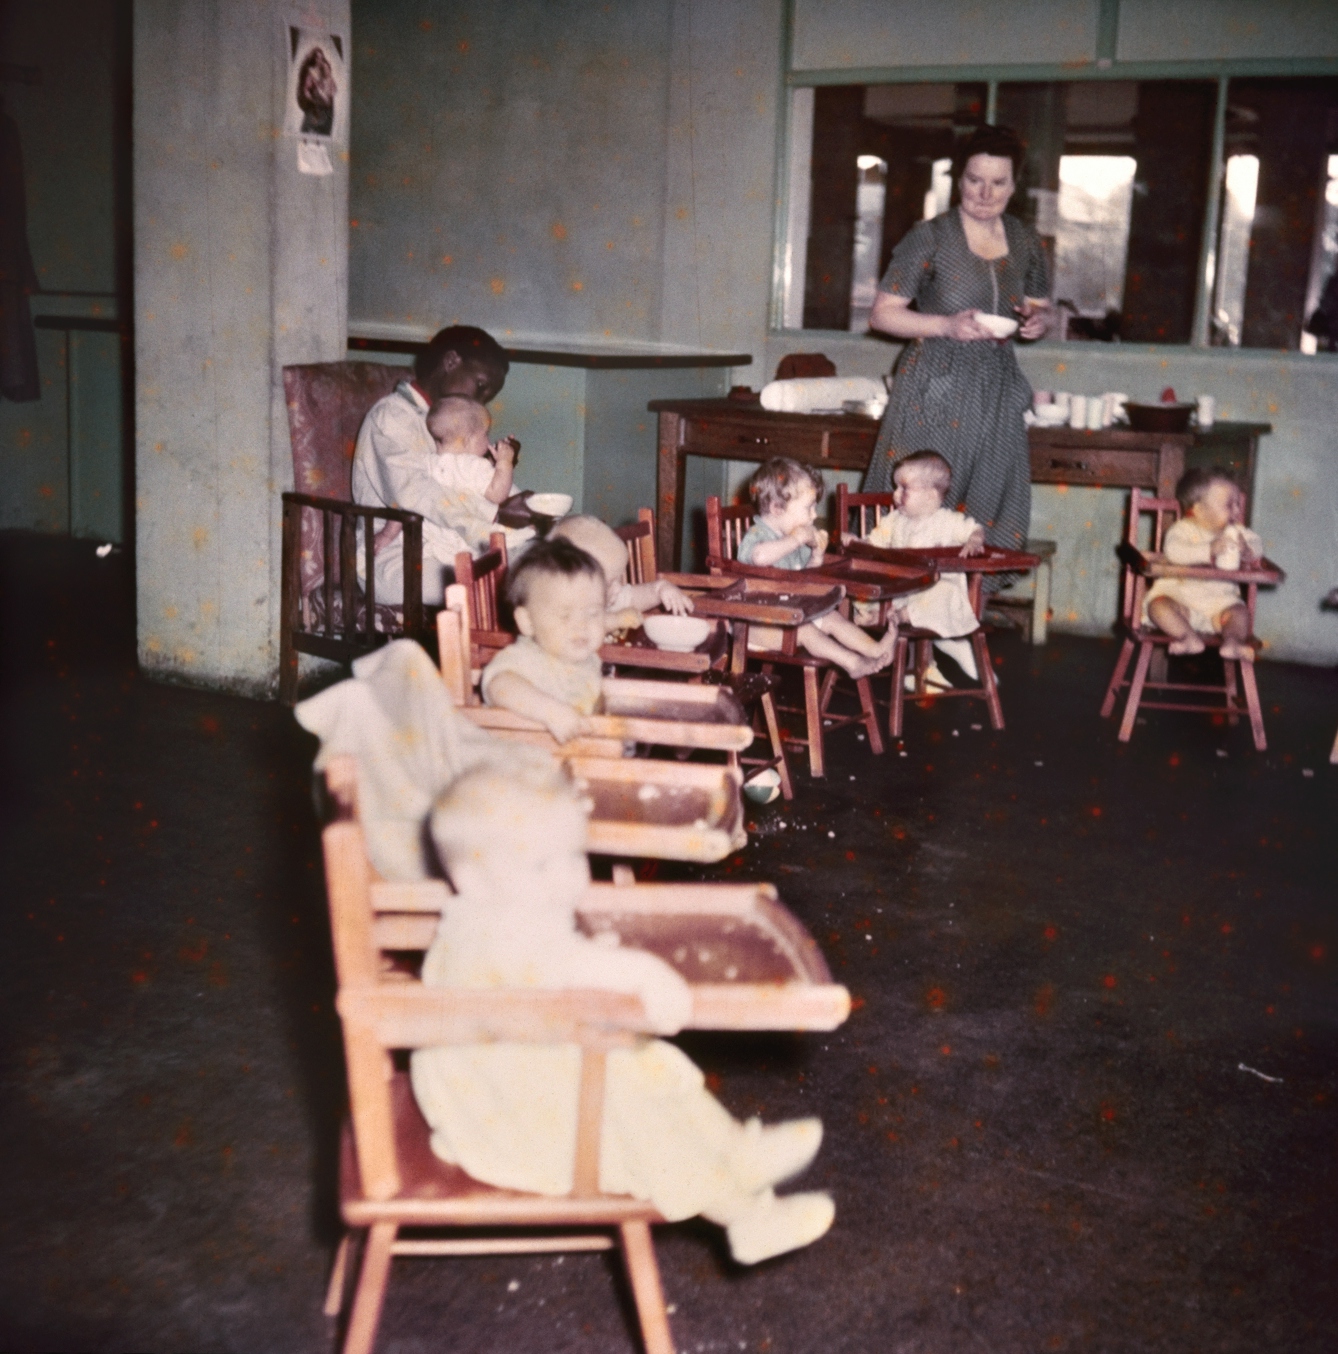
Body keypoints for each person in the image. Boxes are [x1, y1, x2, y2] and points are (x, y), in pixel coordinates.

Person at [409, 761, 836, 1265]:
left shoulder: (489, 911)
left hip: (516, 1078)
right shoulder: (498, 936)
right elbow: (562, 963)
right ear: (471, 877)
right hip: (505, 1117)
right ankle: (747, 1218)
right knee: (640, 1116)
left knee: (645, 1068)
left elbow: (552, 964)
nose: (568, 877)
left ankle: (736, 1152)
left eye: (574, 855)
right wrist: (638, 973)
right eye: (543, 864)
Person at [862, 125, 1051, 571]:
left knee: (987, 509)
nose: (985, 193)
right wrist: (945, 324)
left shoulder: (1026, 242)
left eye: (998, 182)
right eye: (974, 179)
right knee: (918, 506)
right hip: (935, 387)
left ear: (1014, 185)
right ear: (958, 178)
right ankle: (900, 621)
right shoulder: (929, 237)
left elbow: (1038, 309)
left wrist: (1039, 321)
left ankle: (962, 618)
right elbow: (882, 314)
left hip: (996, 391)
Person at [353, 325, 511, 605]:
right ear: (451, 362)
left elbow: (470, 478)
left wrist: (512, 499)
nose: (480, 402)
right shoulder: (392, 417)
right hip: (396, 554)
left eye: (488, 397)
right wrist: (477, 525)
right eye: (481, 386)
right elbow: (415, 493)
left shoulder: (454, 424)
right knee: (487, 587)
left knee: (533, 566)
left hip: (449, 545)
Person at [737, 457, 898, 679]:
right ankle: (852, 663)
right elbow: (759, 557)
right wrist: (794, 540)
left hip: (791, 615)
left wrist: (816, 556)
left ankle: (875, 649)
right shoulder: (759, 536)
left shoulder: (792, 538)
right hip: (755, 625)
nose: (814, 515)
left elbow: (807, 578)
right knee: (807, 632)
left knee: (832, 618)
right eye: (809, 507)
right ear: (776, 508)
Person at [860, 450, 984, 687]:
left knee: (939, 594)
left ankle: (949, 644)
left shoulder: (947, 521)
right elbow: (873, 544)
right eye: (896, 487)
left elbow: (974, 529)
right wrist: (857, 543)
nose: (895, 495)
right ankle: (915, 660)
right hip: (902, 591)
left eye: (903, 488)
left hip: (937, 594)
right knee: (869, 588)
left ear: (930, 496)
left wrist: (974, 540)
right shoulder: (895, 520)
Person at [480, 537, 608, 745]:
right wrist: (551, 713)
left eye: (593, 613)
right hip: (511, 761)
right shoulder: (525, 658)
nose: (581, 625)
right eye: (565, 616)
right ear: (528, 622)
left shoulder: (588, 660)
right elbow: (498, 686)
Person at [1144, 467, 1262, 661]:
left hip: (1219, 609)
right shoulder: (1182, 530)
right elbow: (1173, 551)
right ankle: (1188, 637)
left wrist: (1247, 549)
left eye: (1238, 504)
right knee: (1157, 606)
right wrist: (1209, 551)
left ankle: (1232, 642)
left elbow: (1257, 543)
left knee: (1240, 612)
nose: (1237, 510)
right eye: (1229, 504)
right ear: (1198, 509)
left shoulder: (1236, 531)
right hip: (1181, 604)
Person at [551, 514, 694, 635]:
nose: (619, 588)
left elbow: (631, 598)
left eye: (618, 579)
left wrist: (659, 589)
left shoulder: (607, 598)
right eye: (610, 582)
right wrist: (617, 620)